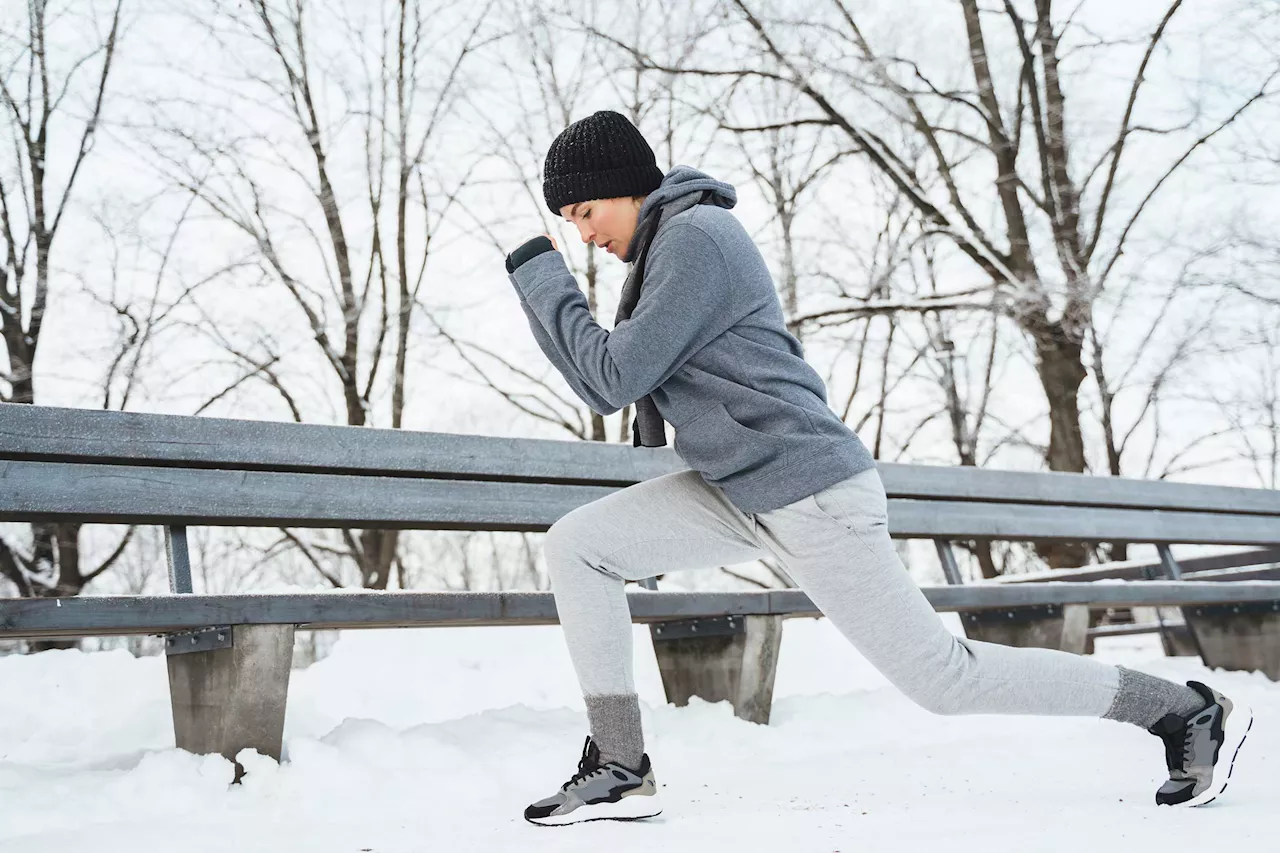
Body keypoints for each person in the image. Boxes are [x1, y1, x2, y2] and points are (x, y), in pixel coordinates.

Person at [503, 109, 1253, 827]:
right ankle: (621, 760)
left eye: (585, 208)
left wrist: (541, 274)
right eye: (567, 220)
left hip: (810, 491)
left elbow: (610, 377)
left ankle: (1179, 708)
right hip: (742, 488)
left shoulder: (696, 238)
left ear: (631, 185)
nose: (583, 231)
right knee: (581, 544)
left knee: (945, 679)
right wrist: (544, 279)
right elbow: (603, 375)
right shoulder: (666, 249)